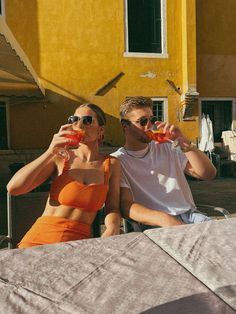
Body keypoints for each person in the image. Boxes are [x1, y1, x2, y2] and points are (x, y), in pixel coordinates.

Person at [7, 103, 121, 248]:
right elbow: (13, 188)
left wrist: (112, 227)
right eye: (74, 119)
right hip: (39, 241)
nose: (79, 124)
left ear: (101, 130)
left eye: (87, 120)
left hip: (78, 245)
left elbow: (112, 208)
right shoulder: (60, 157)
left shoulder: (111, 164)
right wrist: (50, 151)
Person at [111, 96, 217, 231]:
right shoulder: (118, 160)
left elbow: (207, 174)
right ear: (125, 125)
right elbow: (126, 206)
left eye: (152, 120)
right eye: (142, 121)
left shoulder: (167, 146)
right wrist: (166, 220)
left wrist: (183, 141)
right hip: (157, 225)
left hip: (191, 216)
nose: (149, 125)